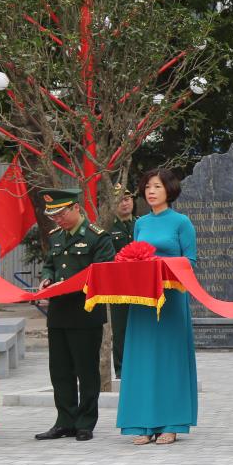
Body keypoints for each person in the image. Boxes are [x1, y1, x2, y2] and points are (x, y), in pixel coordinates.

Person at [116, 169, 198, 446]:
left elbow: (191, 262)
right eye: (147, 187)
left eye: (157, 187)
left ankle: (171, 423)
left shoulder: (182, 222)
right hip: (143, 301)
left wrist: (161, 268)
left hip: (171, 299)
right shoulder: (140, 224)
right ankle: (142, 422)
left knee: (168, 359)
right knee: (142, 359)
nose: (151, 191)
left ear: (169, 190)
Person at [34, 187, 114, 442]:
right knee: (60, 370)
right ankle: (64, 421)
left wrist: (67, 285)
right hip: (59, 313)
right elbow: (49, 265)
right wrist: (46, 280)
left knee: (86, 369)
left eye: (61, 214)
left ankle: (85, 422)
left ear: (76, 208)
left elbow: (101, 273)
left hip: (85, 312)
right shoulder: (56, 236)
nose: (56, 220)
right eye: (53, 216)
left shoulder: (97, 237)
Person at [106, 184, 136, 379]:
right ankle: (121, 369)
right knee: (120, 328)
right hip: (119, 287)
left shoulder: (141, 224)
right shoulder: (108, 229)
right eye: (120, 200)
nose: (124, 203)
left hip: (141, 285)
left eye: (127, 198)